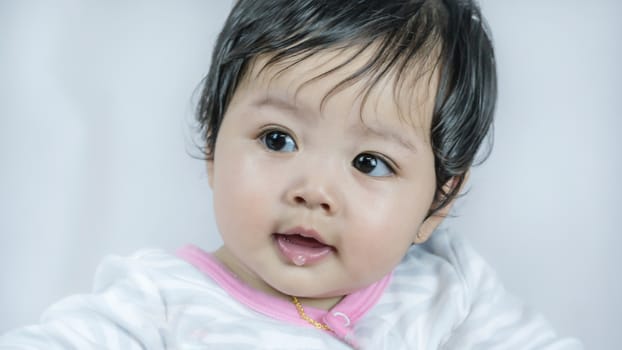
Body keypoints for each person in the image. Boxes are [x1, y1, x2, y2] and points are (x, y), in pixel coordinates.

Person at [0, 0, 583, 349]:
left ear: (437, 202)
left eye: (370, 162)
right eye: (278, 139)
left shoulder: (448, 290)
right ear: (212, 142)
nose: (313, 190)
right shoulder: (156, 305)